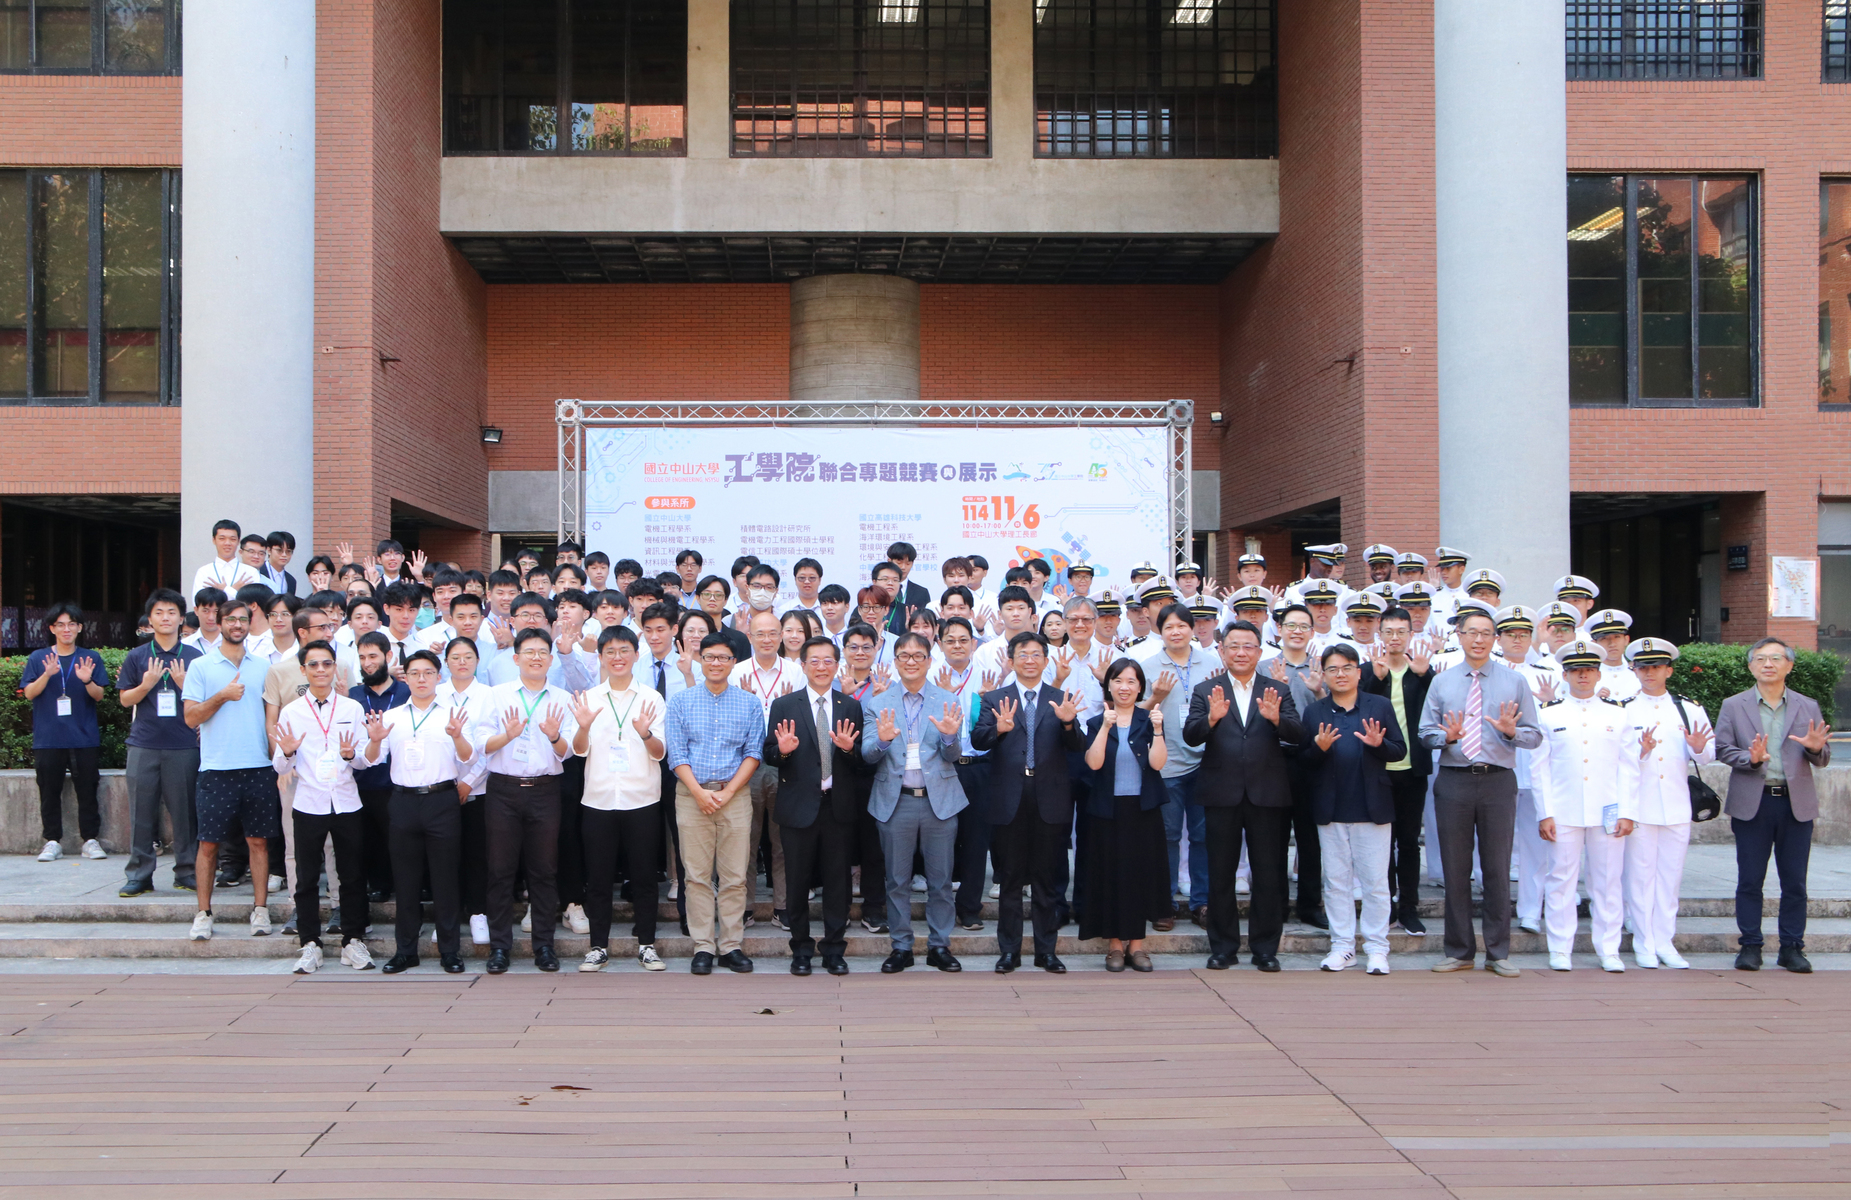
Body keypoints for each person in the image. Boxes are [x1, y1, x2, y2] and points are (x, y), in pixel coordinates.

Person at [1417, 608, 1542, 977]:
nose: (1479, 639)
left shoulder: (1514, 681)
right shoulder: (1442, 682)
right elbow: (1425, 733)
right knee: (1456, 868)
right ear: (1459, 635)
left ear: (1496, 638)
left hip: (1498, 780)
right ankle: (1459, 950)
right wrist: (1447, 738)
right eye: (1472, 632)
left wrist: (1509, 733)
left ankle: (1499, 952)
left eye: (1487, 633)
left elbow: (1533, 735)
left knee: (1497, 867)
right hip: (1454, 777)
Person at [1183, 621, 1302, 972]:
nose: (1240, 652)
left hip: (1267, 793)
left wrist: (1278, 719)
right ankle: (1223, 947)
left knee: (1268, 874)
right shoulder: (1207, 689)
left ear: (1259, 652)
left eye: (1248, 646)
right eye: (1233, 645)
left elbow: (1298, 734)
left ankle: (1265, 948)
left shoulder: (1277, 689)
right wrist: (1212, 720)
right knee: (1220, 873)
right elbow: (1190, 736)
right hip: (1221, 792)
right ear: (1221, 650)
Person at [1714, 636, 1833, 973]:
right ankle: (1750, 946)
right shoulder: (1733, 705)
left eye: (1776, 658)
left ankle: (1792, 947)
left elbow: (1823, 757)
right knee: (1750, 879)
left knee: (1795, 881)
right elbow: (1722, 749)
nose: (1768, 664)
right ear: (1751, 666)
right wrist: (1749, 759)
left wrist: (1813, 748)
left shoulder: (1807, 706)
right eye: (1761, 658)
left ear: (1789, 666)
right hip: (1754, 803)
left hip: (1796, 805)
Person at [971, 631, 1085, 973]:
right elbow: (978, 741)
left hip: (1049, 798)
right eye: (1023, 654)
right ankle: (1009, 951)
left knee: (1046, 881)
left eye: (1037, 654)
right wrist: (999, 730)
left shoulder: (1060, 697)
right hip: (1008, 799)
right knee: (1009, 879)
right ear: (1012, 660)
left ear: (1046, 661)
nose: (1030, 660)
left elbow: (1077, 745)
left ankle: (1046, 951)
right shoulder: (995, 698)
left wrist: (1068, 724)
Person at [360, 649, 478, 974]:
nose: (422, 679)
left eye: (428, 673)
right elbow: (371, 759)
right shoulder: (393, 716)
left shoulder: (452, 716)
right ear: (405, 677)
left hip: (442, 800)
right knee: (406, 879)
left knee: (445, 879)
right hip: (403, 801)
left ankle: (450, 951)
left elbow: (469, 759)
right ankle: (405, 950)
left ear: (438, 677)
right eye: (415, 673)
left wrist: (458, 737)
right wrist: (373, 740)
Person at [1531, 638, 1640, 973]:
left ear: (1598, 675)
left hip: (1607, 810)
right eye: (1576, 671)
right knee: (1561, 879)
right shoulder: (1550, 716)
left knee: (1607, 881)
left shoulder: (1618, 715)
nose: (1583, 676)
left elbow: (1629, 767)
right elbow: (1539, 768)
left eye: (1589, 670)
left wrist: (1627, 812)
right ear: (1564, 675)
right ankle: (1560, 948)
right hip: (1563, 810)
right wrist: (1544, 812)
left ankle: (1609, 949)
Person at [862, 632, 969, 973]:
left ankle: (940, 946)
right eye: (904, 656)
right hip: (896, 803)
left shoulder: (947, 699)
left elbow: (953, 755)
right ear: (894, 662)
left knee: (941, 881)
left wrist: (951, 736)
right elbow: (867, 755)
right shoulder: (878, 703)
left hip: (939, 801)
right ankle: (901, 947)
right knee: (896, 880)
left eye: (918, 655)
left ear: (928, 660)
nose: (910, 661)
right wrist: (881, 741)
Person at [1298, 644, 1406, 975]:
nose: (1340, 674)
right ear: (1324, 676)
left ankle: (1377, 948)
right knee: (1336, 882)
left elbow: (1399, 751)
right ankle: (1343, 946)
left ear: (1359, 672)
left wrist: (1379, 745)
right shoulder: (1315, 712)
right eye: (1333, 669)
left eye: (1347, 668)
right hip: (1330, 808)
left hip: (1372, 806)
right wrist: (1318, 748)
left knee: (1375, 882)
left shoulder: (1379, 706)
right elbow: (1303, 762)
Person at [476, 628, 579, 974]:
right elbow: (481, 745)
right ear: (516, 658)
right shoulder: (496, 696)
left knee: (544, 871)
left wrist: (553, 737)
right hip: (503, 790)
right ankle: (500, 947)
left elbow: (568, 753)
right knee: (500, 871)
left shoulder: (562, 699)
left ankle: (544, 947)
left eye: (542, 652)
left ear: (551, 660)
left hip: (545, 790)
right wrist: (506, 736)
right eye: (529, 651)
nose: (536, 657)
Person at [764, 636, 868, 976]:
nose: (821, 667)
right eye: (815, 661)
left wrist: (849, 749)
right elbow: (769, 754)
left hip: (837, 807)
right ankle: (801, 949)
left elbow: (861, 762)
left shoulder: (850, 706)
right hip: (798, 807)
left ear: (837, 666)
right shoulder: (784, 706)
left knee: (838, 882)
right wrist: (784, 751)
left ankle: (835, 949)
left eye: (828, 661)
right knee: (797, 881)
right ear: (803, 665)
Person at [568, 626, 669, 972]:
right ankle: (597, 946)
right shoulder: (590, 699)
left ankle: (647, 945)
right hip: (598, 799)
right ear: (600, 657)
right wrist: (582, 727)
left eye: (624, 650)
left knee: (643, 877)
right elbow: (579, 751)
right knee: (597, 878)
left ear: (636, 655)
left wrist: (645, 733)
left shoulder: (651, 699)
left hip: (641, 799)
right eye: (609, 651)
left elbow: (659, 753)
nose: (617, 657)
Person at [664, 632, 765, 975]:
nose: (716, 663)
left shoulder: (750, 703)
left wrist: (728, 792)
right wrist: (699, 792)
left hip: (734, 796)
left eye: (723, 657)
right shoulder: (680, 701)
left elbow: (753, 753)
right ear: (700, 660)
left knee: (735, 875)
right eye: (709, 657)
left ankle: (731, 945)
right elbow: (676, 754)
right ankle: (703, 946)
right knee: (696, 876)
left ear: (733, 662)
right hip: (692, 796)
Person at [271, 640, 372, 973]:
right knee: (307, 878)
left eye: (326, 664)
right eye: (313, 665)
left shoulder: (351, 709)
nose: (320, 670)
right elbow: (280, 768)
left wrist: (349, 755)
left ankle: (353, 941)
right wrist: (286, 752)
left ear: (335, 668)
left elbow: (362, 762)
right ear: (303, 670)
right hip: (309, 801)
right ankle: (310, 944)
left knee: (353, 875)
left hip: (346, 801)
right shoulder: (292, 712)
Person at [182, 599, 281, 940]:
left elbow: (272, 717)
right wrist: (222, 696)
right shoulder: (201, 666)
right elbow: (191, 717)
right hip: (216, 768)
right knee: (208, 845)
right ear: (217, 622)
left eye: (243, 619)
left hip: (258, 767)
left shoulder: (263, 666)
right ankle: (204, 913)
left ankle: (260, 910)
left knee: (258, 843)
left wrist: (280, 762)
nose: (237, 625)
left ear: (250, 623)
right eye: (231, 619)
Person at [1621, 637, 1713, 970]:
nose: (1649, 673)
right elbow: (1618, 759)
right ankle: (1644, 942)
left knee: (1670, 878)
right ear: (1634, 670)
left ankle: (1665, 941)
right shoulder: (1624, 708)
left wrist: (1699, 747)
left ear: (1669, 670)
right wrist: (1641, 751)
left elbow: (1708, 753)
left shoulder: (1687, 708)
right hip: (1640, 806)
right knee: (1640, 877)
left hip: (1675, 804)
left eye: (1656, 667)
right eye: (1643, 667)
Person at [1079, 658, 1170, 972]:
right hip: (1107, 811)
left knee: (1141, 876)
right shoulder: (1095, 722)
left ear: (1140, 686)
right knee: (1110, 877)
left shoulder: (1150, 719)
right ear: (1109, 686)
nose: (1125, 687)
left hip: (1142, 810)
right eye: (1118, 680)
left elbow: (1158, 764)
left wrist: (1158, 730)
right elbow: (1092, 763)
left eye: (1131, 681)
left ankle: (1138, 947)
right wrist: (1106, 726)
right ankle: (1115, 947)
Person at [1135, 602, 1220, 931]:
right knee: (1168, 836)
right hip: (1166, 762)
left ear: (1192, 628)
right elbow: (1137, 714)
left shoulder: (1212, 664)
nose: (1175, 631)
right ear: (1160, 630)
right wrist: (1156, 696)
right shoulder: (1148, 665)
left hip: (1206, 762)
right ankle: (1165, 903)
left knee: (1201, 836)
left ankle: (1202, 902)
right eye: (1168, 626)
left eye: (1181, 626)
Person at [115, 589, 202, 895]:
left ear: (182, 618)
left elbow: (205, 703)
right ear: (150, 619)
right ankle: (140, 874)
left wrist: (183, 683)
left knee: (185, 813)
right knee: (141, 811)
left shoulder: (194, 657)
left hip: (184, 744)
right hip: (144, 744)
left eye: (171, 613)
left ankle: (187, 871)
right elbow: (126, 700)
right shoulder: (137, 656)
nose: (165, 618)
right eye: (159, 613)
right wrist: (146, 684)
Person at [1360, 606, 1433, 935]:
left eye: (1401, 632)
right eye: (1388, 632)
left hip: (1412, 769)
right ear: (1380, 634)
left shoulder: (1422, 672)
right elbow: (1359, 710)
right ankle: (1384, 905)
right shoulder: (1367, 672)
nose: (1394, 638)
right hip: (1377, 768)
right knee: (1380, 842)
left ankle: (1409, 907)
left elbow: (1436, 708)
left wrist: (1425, 675)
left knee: (1407, 841)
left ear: (1410, 635)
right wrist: (1375, 679)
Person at [23, 604, 112, 863]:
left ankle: (91, 840)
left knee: (87, 789)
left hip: (83, 737)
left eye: (71, 624)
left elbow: (99, 695)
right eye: (60, 625)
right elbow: (29, 693)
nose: (66, 629)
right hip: (48, 738)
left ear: (80, 628)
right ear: (52, 628)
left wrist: (87, 680)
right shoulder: (38, 658)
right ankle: (52, 841)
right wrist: (47, 675)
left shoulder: (90, 657)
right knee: (48, 790)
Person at [732, 608, 801, 927]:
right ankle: (743, 905)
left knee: (781, 840)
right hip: (745, 765)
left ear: (783, 636)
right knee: (744, 840)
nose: (768, 639)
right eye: (760, 634)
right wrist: (746, 705)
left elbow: (803, 720)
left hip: (784, 765)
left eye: (774, 633)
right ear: (750, 637)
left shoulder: (795, 672)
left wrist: (785, 707)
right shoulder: (736, 672)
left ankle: (782, 905)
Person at [935, 616, 996, 930]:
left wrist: (989, 699)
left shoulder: (990, 676)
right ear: (940, 644)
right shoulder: (931, 677)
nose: (957, 645)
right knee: (942, 840)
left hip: (979, 769)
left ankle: (970, 906)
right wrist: (944, 694)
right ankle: (942, 905)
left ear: (974, 643)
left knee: (976, 841)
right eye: (950, 640)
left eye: (963, 640)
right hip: (943, 768)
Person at [435, 635, 494, 946]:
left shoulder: (489, 696)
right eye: (455, 657)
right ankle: (447, 917)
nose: (461, 661)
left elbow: (491, 746)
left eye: (468, 656)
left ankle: (478, 914)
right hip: (440, 789)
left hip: (480, 789)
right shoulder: (435, 694)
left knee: (476, 855)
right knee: (444, 857)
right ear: (446, 662)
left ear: (477, 661)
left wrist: (470, 780)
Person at [191, 519, 263, 599]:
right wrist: (234, 590)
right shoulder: (204, 572)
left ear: (238, 541)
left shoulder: (250, 572)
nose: (227, 543)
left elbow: (254, 603)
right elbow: (200, 604)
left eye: (232, 539)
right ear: (214, 540)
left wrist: (224, 590)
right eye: (222, 538)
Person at [263, 530, 299, 596]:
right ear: (269, 550)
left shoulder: (291, 581)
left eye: (288, 551)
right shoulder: (258, 572)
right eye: (279, 550)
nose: (284, 555)